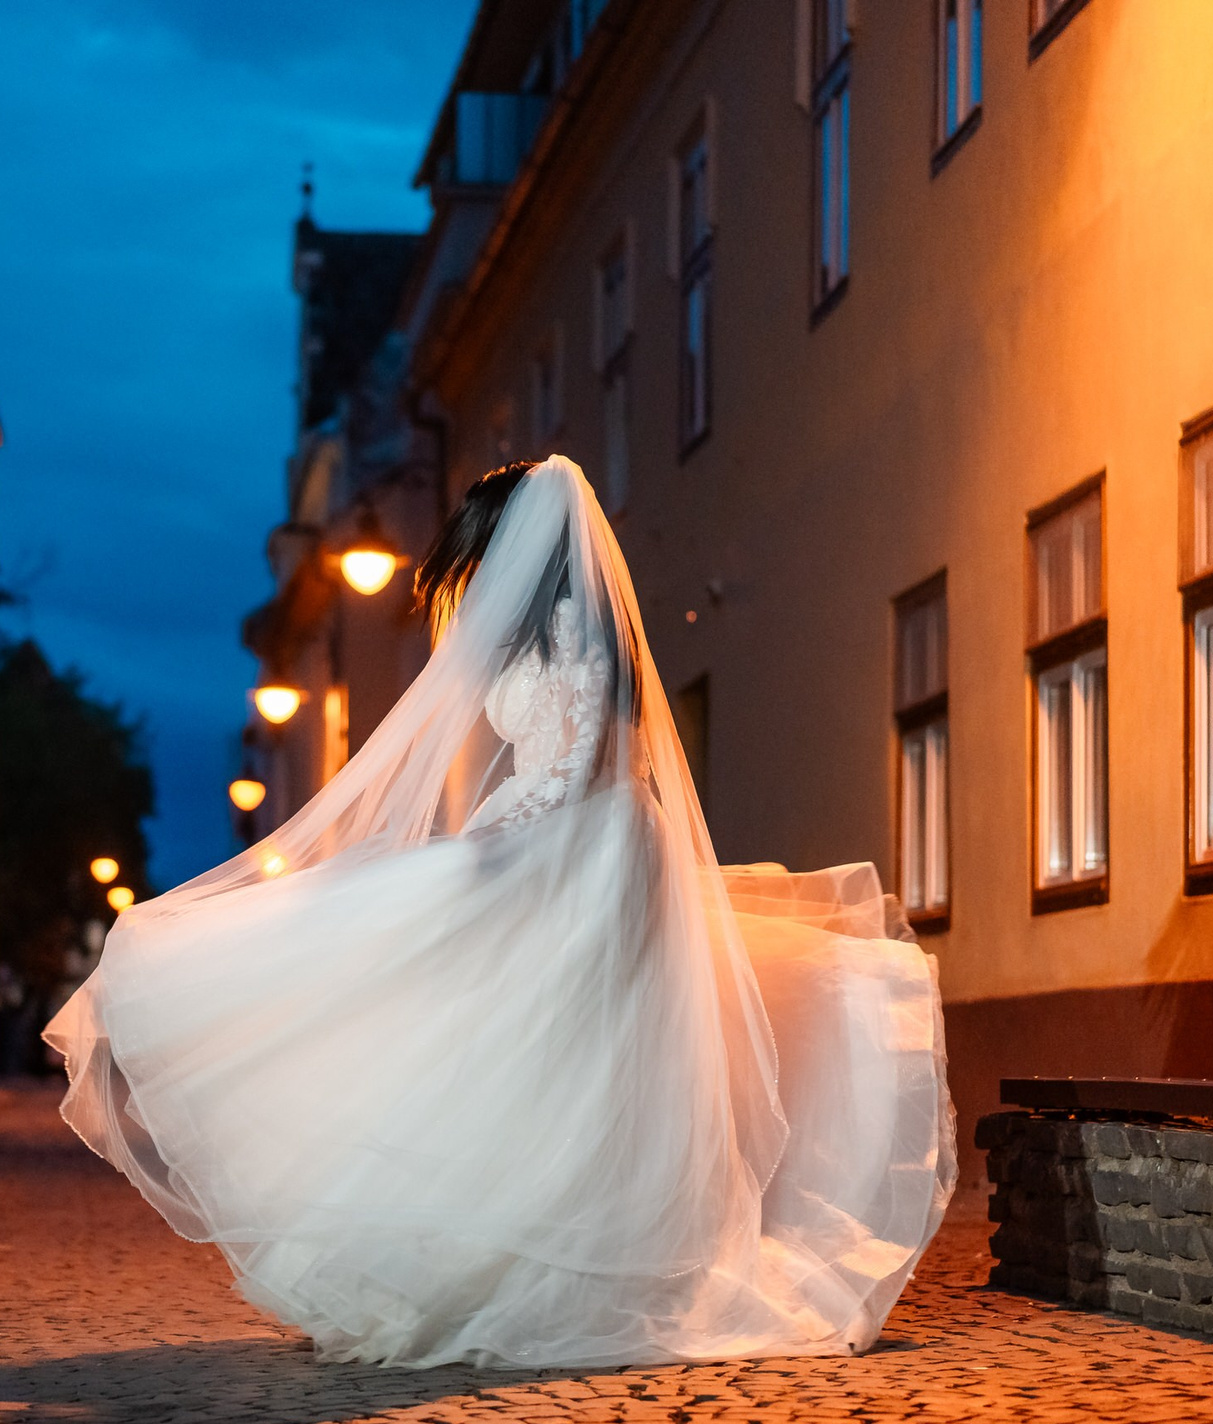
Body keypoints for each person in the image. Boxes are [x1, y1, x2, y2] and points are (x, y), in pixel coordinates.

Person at [47, 456, 955, 1368]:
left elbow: (568, 767)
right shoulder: (555, 627)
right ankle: (491, 1254)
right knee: (527, 1053)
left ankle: (540, 1265)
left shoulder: (572, 626)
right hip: (569, 840)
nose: (477, 566)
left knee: (542, 1051)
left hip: (582, 849)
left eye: (486, 544)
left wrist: (480, 847)